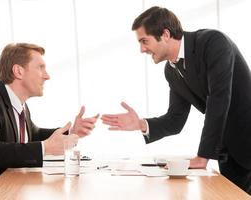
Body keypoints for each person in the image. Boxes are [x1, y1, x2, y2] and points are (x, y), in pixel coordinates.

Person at [101, 6, 251, 194]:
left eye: (144, 41)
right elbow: (175, 120)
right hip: (229, 151)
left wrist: (202, 157)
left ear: (165, 34)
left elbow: (219, 99)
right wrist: (141, 124)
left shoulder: (213, 43)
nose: (141, 50)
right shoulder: (171, 71)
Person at [0, 43, 99, 200]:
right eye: (40, 67)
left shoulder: (19, 106)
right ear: (18, 71)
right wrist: (44, 148)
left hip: (8, 192)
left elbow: (32, 134)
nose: (47, 75)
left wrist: (71, 132)